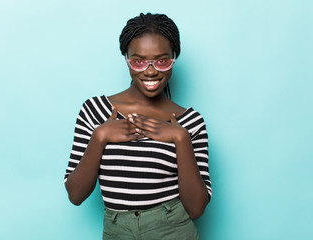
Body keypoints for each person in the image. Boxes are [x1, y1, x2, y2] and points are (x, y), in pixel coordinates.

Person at [64, 13, 212, 240]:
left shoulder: (190, 122)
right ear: (126, 58)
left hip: (173, 230)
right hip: (118, 231)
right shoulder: (95, 110)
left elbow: (197, 208)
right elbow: (75, 194)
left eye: (162, 61)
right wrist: (100, 136)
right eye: (138, 61)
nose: (151, 71)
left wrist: (180, 139)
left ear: (174, 58)